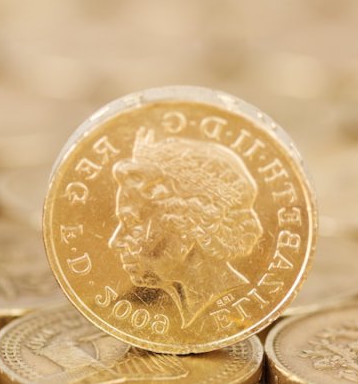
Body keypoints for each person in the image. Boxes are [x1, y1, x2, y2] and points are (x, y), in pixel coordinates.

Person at [107, 128, 263, 329]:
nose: (115, 242)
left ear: (188, 227)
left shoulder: (235, 305)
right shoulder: (192, 310)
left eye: (132, 223)